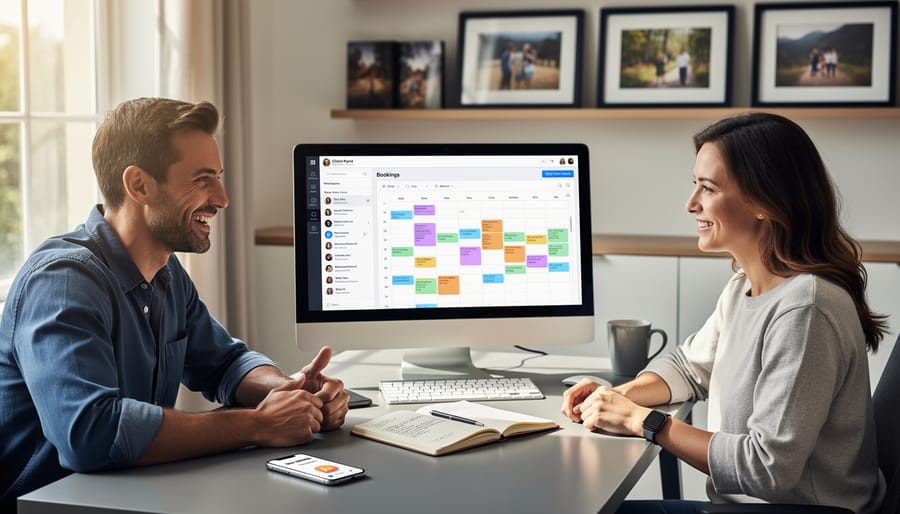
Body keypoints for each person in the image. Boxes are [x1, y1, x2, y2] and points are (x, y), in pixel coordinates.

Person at [0, 98, 350, 508]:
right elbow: (91, 434)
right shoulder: (62, 282)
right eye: (202, 179)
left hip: (132, 497)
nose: (222, 198)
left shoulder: (165, 273)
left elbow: (224, 363)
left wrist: (290, 392)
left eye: (218, 178)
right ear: (139, 186)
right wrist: (256, 424)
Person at [561, 112, 886, 514]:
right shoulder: (744, 288)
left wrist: (645, 422)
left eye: (708, 188)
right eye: (694, 185)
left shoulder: (805, 309)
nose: (690, 203)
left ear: (765, 202)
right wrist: (618, 398)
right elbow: (689, 366)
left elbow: (767, 468)